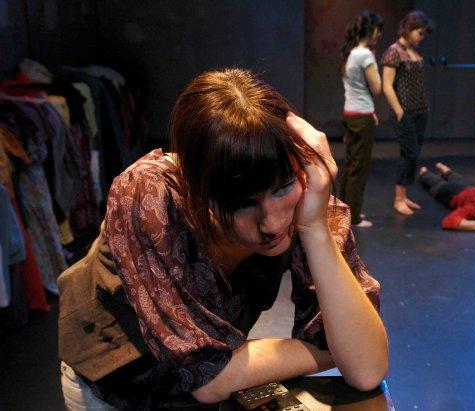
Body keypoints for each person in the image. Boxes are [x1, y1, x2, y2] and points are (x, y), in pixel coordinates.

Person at [57, 69, 388, 409]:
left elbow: (366, 368)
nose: (272, 223)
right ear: (196, 189)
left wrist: (315, 228)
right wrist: (330, 351)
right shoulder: (151, 195)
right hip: (115, 380)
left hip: (192, 394)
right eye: (241, 204)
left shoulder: (307, 197)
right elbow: (209, 379)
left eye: (283, 188)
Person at [381, 11, 434, 216]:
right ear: (409, 29)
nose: (422, 38)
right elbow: (387, 85)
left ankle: (404, 196)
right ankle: (398, 199)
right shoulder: (394, 52)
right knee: (409, 153)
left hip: (420, 110)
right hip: (405, 112)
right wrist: (399, 112)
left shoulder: (414, 52)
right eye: (420, 33)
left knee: (414, 154)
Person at [339, 11, 383, 228]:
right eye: (378, 31)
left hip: (351, 113)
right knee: (359, 167)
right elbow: (376, 88)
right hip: (361, 116)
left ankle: (347, 212)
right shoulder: (365, 55)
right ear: (371, 30)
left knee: (351, 165)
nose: (379, 35)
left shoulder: (351, 53)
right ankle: (354, 217)